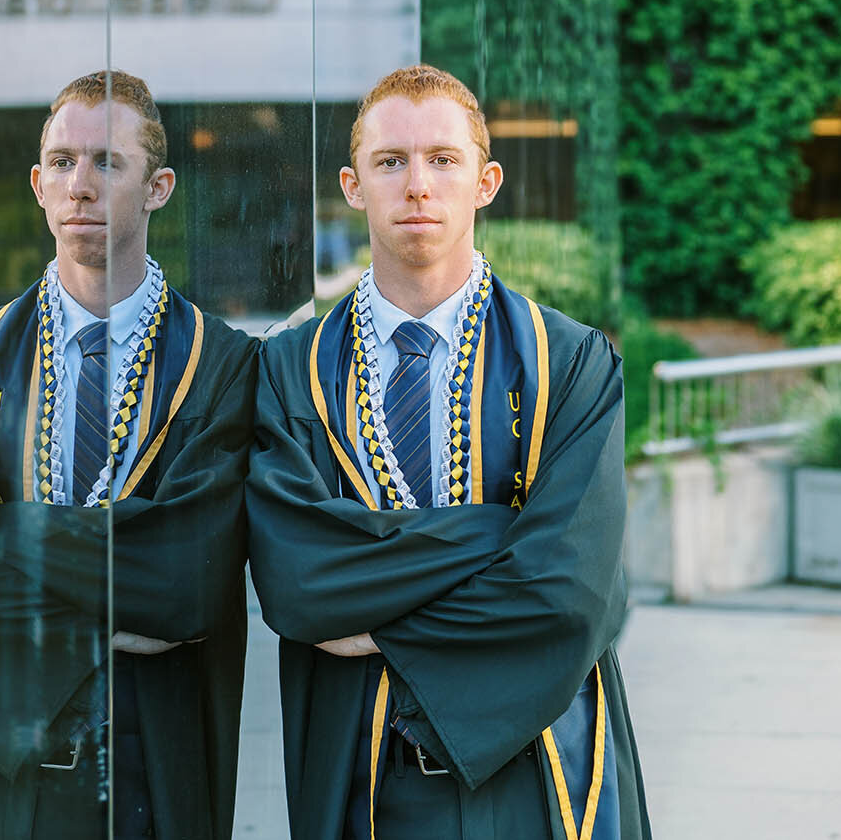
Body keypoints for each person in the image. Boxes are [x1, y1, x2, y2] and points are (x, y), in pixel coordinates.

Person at [247, 64, 651, 840]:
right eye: (390, 162)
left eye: (442, 159)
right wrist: (503, 534)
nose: (417, 185)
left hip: (543, 769)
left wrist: (380, 625)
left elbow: (571, 594)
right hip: (361, 774)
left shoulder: (569, 363)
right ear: (352, 184)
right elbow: (300, 586)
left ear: (486, 180)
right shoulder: (287, 370)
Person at [0, 71, 256, 840]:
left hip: (152, 751)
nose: (81, 187)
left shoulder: (222, 365)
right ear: (37, 184)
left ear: (158, 187)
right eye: (62, 164)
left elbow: (187, 580)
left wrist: (4, 533)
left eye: (108, 162)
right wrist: (110, 614)